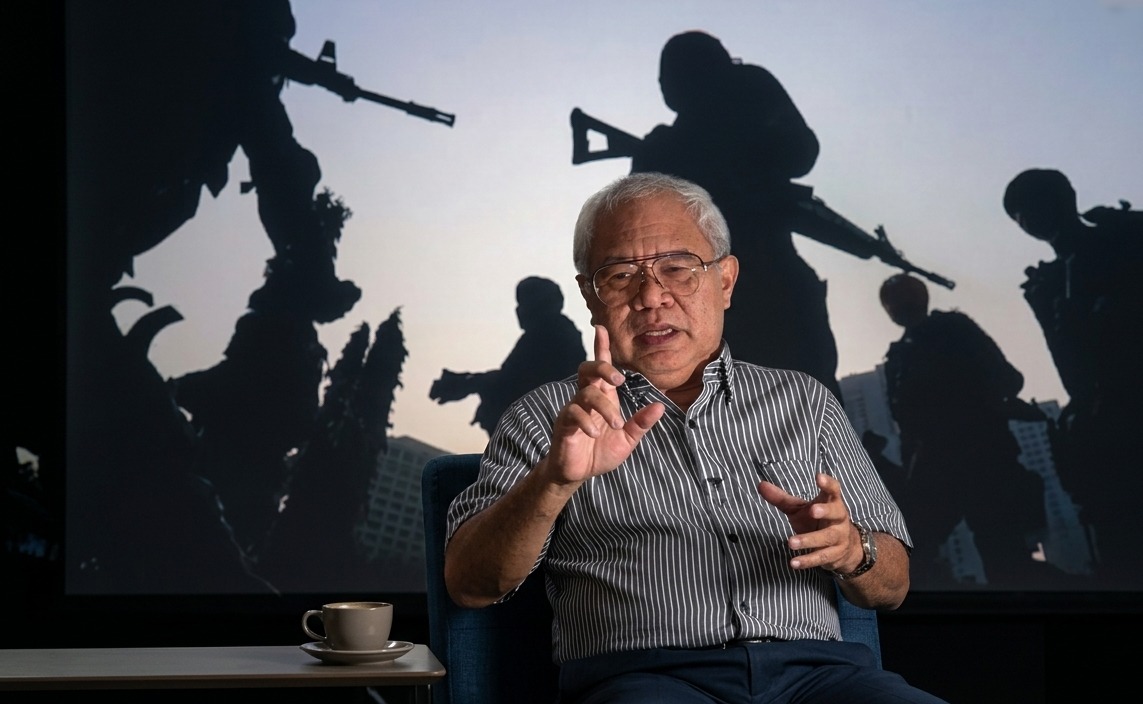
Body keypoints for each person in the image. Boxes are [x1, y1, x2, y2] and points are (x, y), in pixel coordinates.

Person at [445, 172, 946, 703]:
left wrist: (851, 550)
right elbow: (470, 585)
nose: (651, 297)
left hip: (821, 679)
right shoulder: (546, 417)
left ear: (725, 281)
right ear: (591, 296)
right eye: (620, 276)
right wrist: (553, 480)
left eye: (678, 268)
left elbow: (893, 585)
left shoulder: (805, 401)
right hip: (645, 681)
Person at [629, 31, 842, 400]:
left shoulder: (741, 94)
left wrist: (738, 158)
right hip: (724, 292)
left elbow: (800, 151)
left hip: (749, 281)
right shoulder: (666, 145)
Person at [1003, 168, 1143, 587]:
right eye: (1018, 215)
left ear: (1065, 198)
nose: (1027, 220)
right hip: (1101, 431)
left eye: (1032, 205)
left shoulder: (1121, 237)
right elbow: (1071, 364)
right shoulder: (1047, 281)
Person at [878, 273, 1048, 589]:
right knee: (921, 548)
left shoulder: (945, 334)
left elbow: (1007, 379)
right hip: (942, 464)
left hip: (978, 456)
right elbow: (906, 424)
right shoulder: (901, 357)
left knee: (1003, 554)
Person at [430, 276, 587, 436]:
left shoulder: (550, 333)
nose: (519, 311)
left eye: (523, 304)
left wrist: (469, 383)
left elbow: (512, 382)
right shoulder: (549, 332)